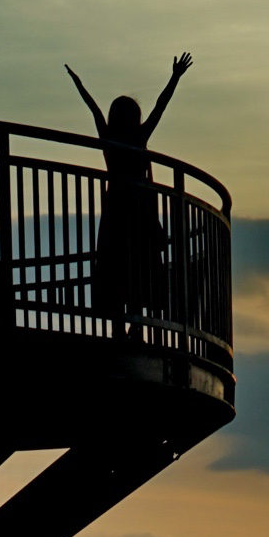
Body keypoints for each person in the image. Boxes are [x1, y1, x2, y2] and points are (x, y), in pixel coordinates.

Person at [65, 54, 192, 331]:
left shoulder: (118, 138)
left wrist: (174, 78)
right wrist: (79, 85)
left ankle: (128, 326)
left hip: (127, 211)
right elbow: (95, 109)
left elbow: (157, 106)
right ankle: (125, 327)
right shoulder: (130, 138)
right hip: (129, 211)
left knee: (128, 266)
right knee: (126, 265)